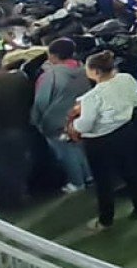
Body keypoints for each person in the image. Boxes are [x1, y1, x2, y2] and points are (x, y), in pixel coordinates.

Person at [66, 49, 137, 230]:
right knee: (131, 171)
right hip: (126, 132)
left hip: (100, 142)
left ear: (95, 72)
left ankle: (106, 219)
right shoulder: (126, 79)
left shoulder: (91, 98)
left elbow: (85, 125)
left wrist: (73, 125)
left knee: (104, 182)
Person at [30, 38, 92, 190]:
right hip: (80, 115)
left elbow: (41, 102)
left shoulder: (50, 76)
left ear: (53, 56)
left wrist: (36, 121)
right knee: (80, 147)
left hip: (56, 122)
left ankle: (77, 183)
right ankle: (90, 176)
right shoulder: (84, 69)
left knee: (66, 152)